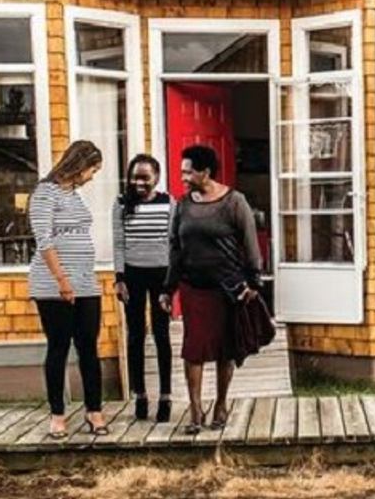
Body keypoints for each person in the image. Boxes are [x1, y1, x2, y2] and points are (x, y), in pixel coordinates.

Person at [159, 143, 263, 433]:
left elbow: (250, 243)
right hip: (194, 287)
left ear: (205, 172)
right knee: (194, 349)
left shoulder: (234, 202)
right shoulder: (183, 205)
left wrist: (254, 281)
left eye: (188, 172)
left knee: (224, 348)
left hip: (227, 288)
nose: (182, 177)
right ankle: (195, 408)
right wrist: (168, 288)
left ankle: (220, 402)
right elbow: (175, 248)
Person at [27, 138, 108, 439]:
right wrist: (62, 281)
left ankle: (94, 410)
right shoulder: (44, 193)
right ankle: (58, 414)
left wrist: (81, 278)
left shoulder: (73, 194)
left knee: (89, 346)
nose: (92, 177)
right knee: (59, 346)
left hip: (85, 281)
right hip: (53, 283)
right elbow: (44, 240)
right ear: (79, 165)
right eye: (92, 170)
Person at [112, 152, 174, 422]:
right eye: (135, 177)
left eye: (145, 178)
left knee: (162, 335)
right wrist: (119, 278)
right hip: (132, 276)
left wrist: (170, 287)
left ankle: (165, 397)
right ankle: (140, 395)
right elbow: (118, 244)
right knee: (135, 335)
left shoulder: (169, 202)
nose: (139, 183)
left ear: (156, 178)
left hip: (161, 276)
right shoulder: (121, 203)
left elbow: (174, 245)